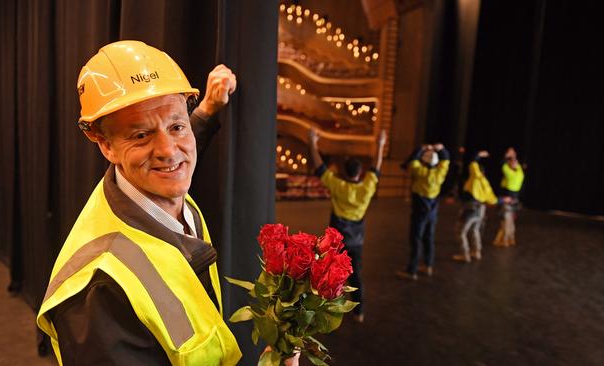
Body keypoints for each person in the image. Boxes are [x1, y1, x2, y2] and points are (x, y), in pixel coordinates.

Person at [36, 40, 299, 366]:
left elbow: (173, 145)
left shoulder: (153, 188)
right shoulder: (100, 292)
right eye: (140, 136)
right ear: (106, 146)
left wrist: (208, 109)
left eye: (177, 126)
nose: (169, 151)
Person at [308, 127, 387, 323]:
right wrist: (380, 145)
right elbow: (376, 168)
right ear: (360, 172)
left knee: (330, 273)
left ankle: (327, 311)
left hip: (336, 240)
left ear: (345, 171)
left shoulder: (338, 186)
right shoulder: (367, 187)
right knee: (355, 275)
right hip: (357, 240)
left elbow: (320, 168)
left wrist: (312, 142)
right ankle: (358, 311)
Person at [396, 143, 450, 280]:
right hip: (432, 212)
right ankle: (428, 265)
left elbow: (413, 159)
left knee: (416, 239)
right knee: (429, 238)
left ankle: (412, 270)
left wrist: (422, 148)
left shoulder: (419, 171)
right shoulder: (440, 173)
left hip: (419, 211)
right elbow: (446, 159)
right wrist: (441, 149)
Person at [453, 150, 498, 263]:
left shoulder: (475, 177)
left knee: (461, 232)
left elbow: (473, 163)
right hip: (481, 209)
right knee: (475, 230)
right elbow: (493, 200)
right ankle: (476, 252)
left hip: (470, 208)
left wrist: (478, 155)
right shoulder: (486, 183)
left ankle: (465, 255)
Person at [493, 147, 525, 247]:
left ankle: (505, 240)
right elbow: (516, 165)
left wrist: (507, 155)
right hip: (515, 200)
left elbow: (503, 164)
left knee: (505, 221)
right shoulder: (520, 173)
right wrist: (513, 156)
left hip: (507, 201)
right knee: (510, 220)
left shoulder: (510, 174)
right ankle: (511, 239)